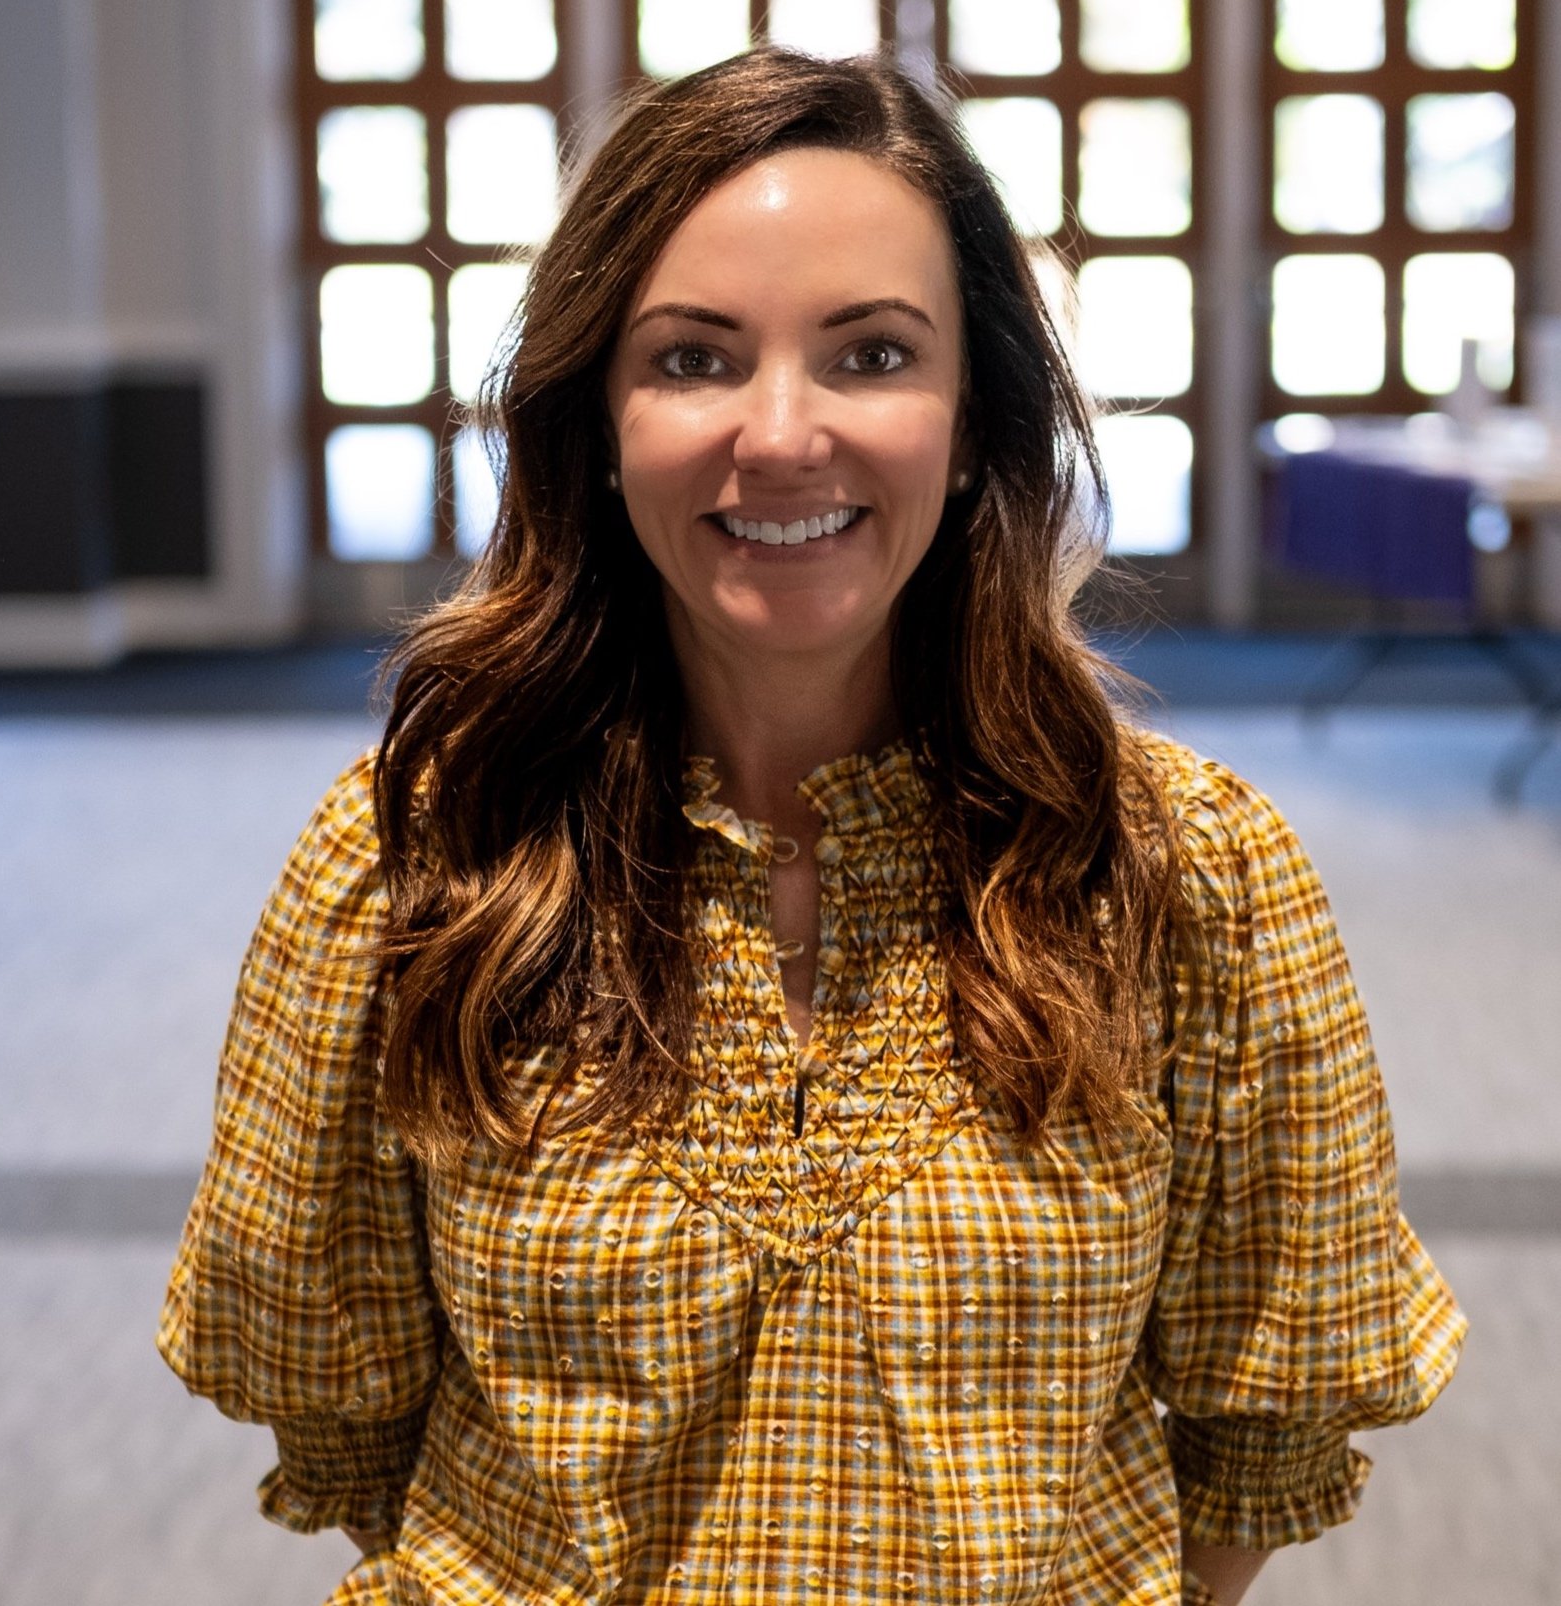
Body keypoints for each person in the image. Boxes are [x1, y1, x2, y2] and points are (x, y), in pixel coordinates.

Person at [159, 48, 1465, 1606]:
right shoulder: (418, 863)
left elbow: (1269, 1408)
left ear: (976, 417)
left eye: (869, 355)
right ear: (596, 420)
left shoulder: (1188, 874)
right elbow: (340, 1403)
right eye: (695, 359)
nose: (778, 435)